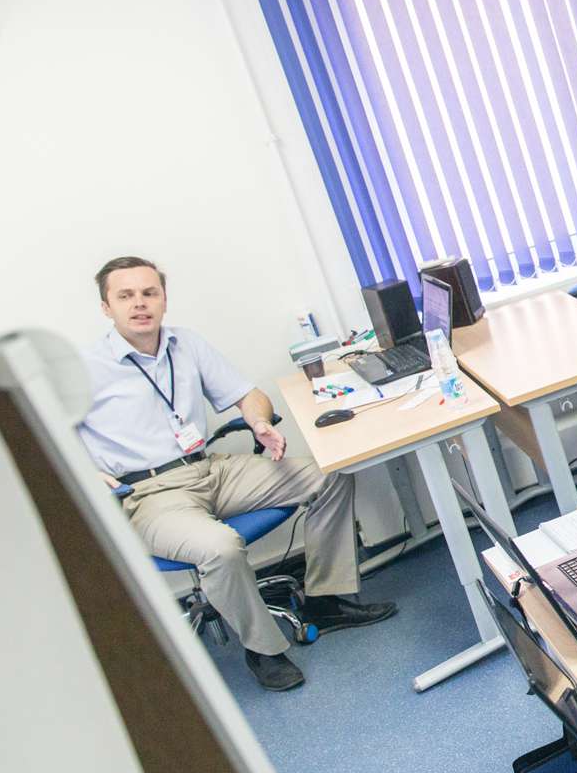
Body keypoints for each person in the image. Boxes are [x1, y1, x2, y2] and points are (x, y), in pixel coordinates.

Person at [78, 257, 395, 692]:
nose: (140, 304)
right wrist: (86, 472)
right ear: (106, 307)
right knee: (222, 548)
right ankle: (264, 649)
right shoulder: (85, 368)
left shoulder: (186, 344)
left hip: (209, 468)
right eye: (125, 296)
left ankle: (325, 601)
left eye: (149, 293)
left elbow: (249, 395)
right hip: (148, 493)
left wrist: (259, 421)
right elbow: (45, 435)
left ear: (164, 299)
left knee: (332, 474)